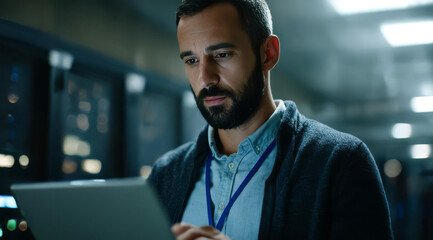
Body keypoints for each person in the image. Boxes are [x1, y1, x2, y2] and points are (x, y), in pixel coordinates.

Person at [148, 0, 394, 239]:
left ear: (268, 53)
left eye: (222, 54)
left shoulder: (341, 163)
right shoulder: (165, 175)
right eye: (191, 61)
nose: (205, 78)